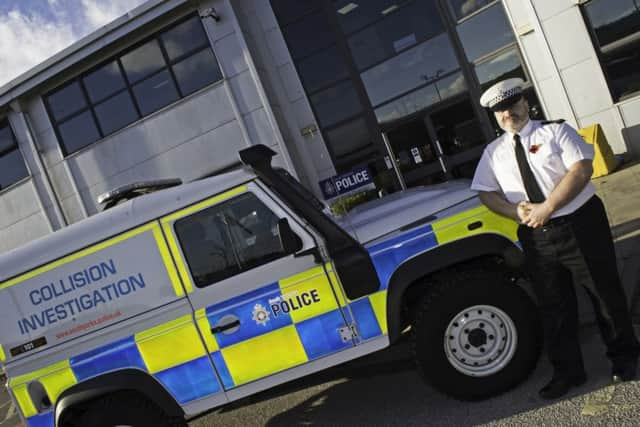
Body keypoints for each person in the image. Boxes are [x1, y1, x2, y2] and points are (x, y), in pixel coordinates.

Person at [471, 78, 639, 400]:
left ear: (525, 102)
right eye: (500, 111)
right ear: (494, 117)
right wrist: (512, 210)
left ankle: (625, 358)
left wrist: (548, 206)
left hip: (580, 224)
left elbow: (581, 169)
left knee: (603, 293)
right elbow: (484, 192)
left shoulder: (555, 131)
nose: (508, 113)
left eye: (512, 104)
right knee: (553, 306)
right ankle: (568, 373)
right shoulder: (493, 153)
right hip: (536, 236)